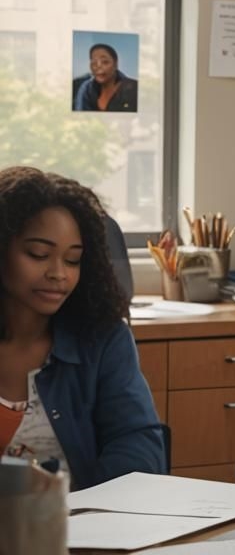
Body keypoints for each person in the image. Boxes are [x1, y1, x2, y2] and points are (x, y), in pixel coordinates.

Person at [0, 167, 165, 489]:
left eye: (73, 260)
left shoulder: (102, 339)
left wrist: (99, 513)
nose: (59, 273)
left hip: (78, 529)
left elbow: (137, 445)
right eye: (39, 254)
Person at [73, 43, 138, 112]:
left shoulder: (133, 88)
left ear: (116, 64)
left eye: (105, 62)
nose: (98, 66)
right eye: (94, 62)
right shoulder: (86, 91)